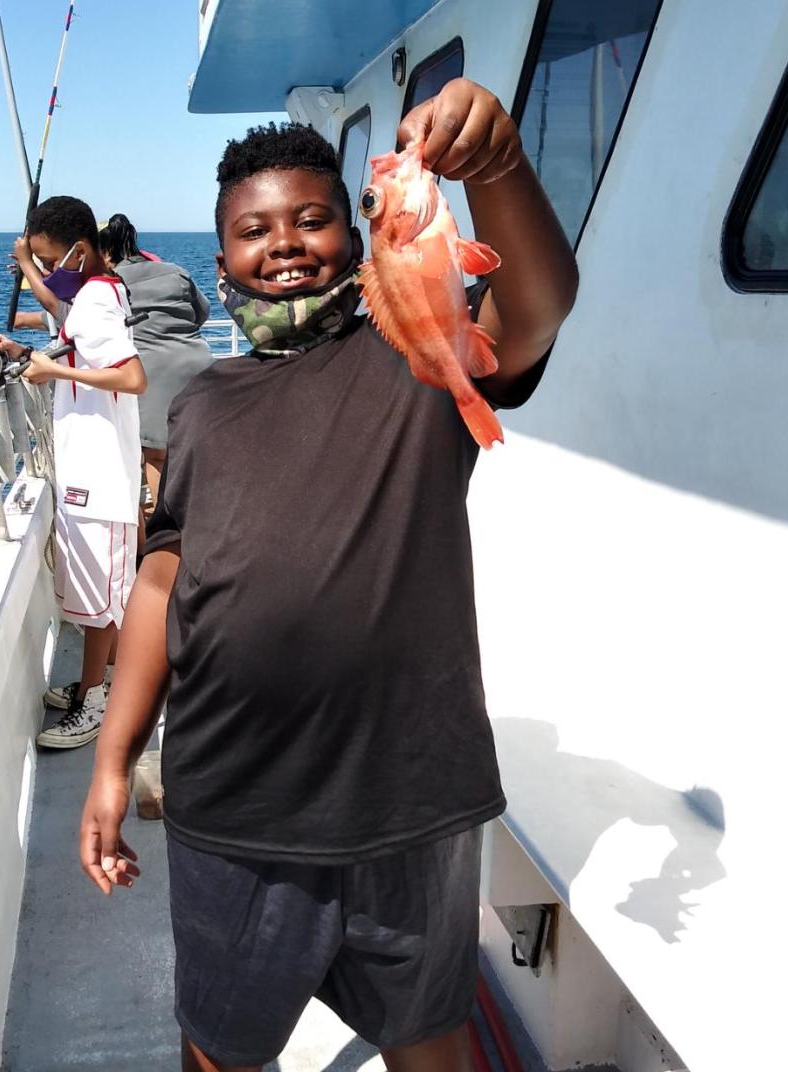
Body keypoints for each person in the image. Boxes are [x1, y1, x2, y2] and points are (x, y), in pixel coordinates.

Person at [79, 80, 578, 1071]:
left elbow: (535, 308)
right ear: (221, 259)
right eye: (255, 228)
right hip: (232, 805)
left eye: (312, 217)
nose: (287, 241)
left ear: (358, 234)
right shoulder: (205, 404)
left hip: (409, 803)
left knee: (430, 1032)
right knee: (219, 1047)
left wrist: (500, 168)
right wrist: (110, 758)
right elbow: (161, 579)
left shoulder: (418, 350)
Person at [0, 195, 147, 750]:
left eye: (48, 261)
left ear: (79, 250)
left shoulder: (95, 300)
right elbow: (77, 358)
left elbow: (132, 377)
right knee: (100, 596)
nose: (45, 272)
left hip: (101, 474)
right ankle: (100, 682)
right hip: (90, 470)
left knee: (101, 599)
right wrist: (24, 353)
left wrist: (45, 366)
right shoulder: (99, 292)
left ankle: (94, 701)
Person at [98, 213, 214, 513]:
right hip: (199, 365)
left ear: (106, 252)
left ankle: (167, 531)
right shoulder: (174, 270)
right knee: (198, 448)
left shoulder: (112, 285)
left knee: (157, 455)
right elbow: (203, 311)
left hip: (154, 374)